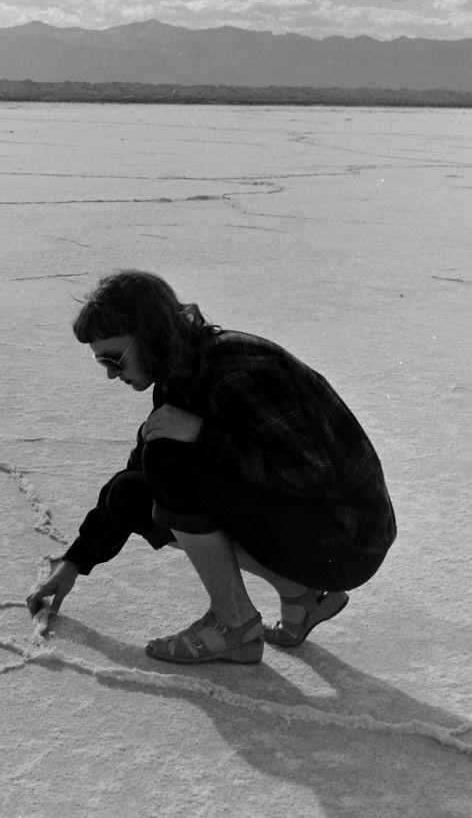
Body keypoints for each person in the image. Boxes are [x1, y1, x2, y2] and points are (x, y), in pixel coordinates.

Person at [26, 270, 396, 665]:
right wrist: (76, 561)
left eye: (113, 358)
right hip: (314, 527)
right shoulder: (180, 374)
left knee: (169, 462)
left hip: (348, 537)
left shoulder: (235, 369)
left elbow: (312, 470)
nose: (110, 373)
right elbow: (138, 472)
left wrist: (205, 435)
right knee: (131, 493)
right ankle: (302, 596)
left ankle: (233, 624)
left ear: (150, 334)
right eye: (102, 361)